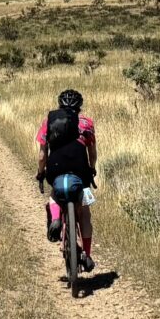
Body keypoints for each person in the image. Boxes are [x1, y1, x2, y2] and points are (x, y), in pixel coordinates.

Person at [34, 86, 97, 269]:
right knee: (85, 211)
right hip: (81, 172)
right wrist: (92, 170)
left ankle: (55, 218)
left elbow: (41, 155)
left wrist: (40, 172)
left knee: (54, 195)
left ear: (59, 105)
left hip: (56, 168)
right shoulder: (87, 123)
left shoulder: (49, 122)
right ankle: (86, 254)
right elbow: (92, 152)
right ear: (80, 106)